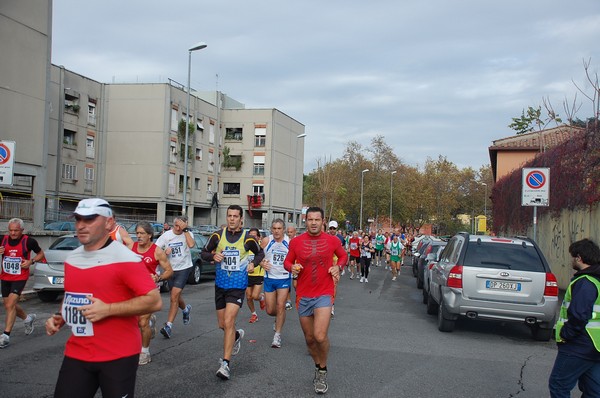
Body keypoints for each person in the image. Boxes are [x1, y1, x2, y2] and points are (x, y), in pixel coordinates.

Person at [45, 198, 161, 398]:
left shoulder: (126, 259)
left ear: (109, 222)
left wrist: (107, 309)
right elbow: (72, 295)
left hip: (118, 354)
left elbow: (154, 300)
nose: (81, 225)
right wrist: (60, 317)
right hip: (78, 352)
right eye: (78, 219)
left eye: (89, 219)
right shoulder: (72, 259)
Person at [284, 206, 347, 395]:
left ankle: (322, 370)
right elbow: (287, 262)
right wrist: (292, 267)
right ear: (306, 221)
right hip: (303, 294)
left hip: (324, 293)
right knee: (310, 340)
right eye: (310, 219)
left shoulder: (332, 240)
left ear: (323, 221)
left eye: (316, 220)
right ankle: (317, 364)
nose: (313, 223)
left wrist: (339, 267)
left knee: (320, 335)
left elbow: (343, 256)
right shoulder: (296, 242)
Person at [201, 205, 264, 380]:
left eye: (235, 216)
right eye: (229, 216)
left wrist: (253, 264)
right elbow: (203, 253)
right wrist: (213, 256)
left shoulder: (248, 238)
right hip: (220, 285)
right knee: (223, 325)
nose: (232, 219)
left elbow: (260, 254)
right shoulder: (217, 236)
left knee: (229, 321)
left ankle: (225, 364)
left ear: (241, 219)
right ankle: (236, 335)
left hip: (237, 286)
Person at [549, 238, 600, 397]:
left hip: (579, 345)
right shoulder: (596, 280)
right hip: (594, 346)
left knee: (558, 384)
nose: (571, 260)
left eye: (573, 257)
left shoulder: (585, 282)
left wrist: (566, 334)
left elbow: (579, 315)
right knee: (594, 391)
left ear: (579, 258)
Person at [132, 221, 173, 365]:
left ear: (149, 235)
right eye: (137, 233)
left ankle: (145, 352)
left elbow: (169, 270)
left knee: (142, 322)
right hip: (133, 289)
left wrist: (159, 277)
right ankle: (151, 322)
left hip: (150, 290)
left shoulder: (156, 251)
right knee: (136, 322)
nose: (138, 236)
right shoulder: (131, 247)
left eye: (142, 233)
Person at [0, 218, 45, 348]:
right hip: (5, 277)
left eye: (16, 230)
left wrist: (31, 261)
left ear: (22, 230)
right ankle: (27, 319)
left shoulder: (29, 241)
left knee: (10, 304)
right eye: (11, 230)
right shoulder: (2, 239)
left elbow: (41, 254)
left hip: (20, 277)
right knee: (9, 305)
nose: (13, 233)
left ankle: (5, 336)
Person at [155, 215, 195, 339]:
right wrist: (164, 251)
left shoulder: (188, 234)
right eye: (176, 225)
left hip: (184, 268)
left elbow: (191, 245)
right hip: (170, 269)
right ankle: (185, 309)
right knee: (176, 296)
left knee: (173, 296)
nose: (178, 228)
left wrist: (186, 230)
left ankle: (168, 326)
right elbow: (155, 249)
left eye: (180, 226)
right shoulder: (166, 236)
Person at [260, 218, 291, 348]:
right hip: (269, 278)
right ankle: (277, 318)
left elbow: (296, 257)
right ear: (271, 229)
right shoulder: (266, 241)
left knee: (280, 306)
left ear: (283, 229)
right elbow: (255, 255)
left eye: (279, 228)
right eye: (274, 228)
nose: (277, 231)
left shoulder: (290, 242)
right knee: (270, 310)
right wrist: (262, 263)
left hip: (284, 278)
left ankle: (277, 335)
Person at [245, 227, 265, 324]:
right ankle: (254, 314)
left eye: (254, 236)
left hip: (258, 274)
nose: (252, 237)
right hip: (247, 274)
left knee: (255, 296)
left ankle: (261, 297)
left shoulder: (261, 247)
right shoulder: (245, 246)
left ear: (258, 237)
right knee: (248, 297)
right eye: (250, 235)